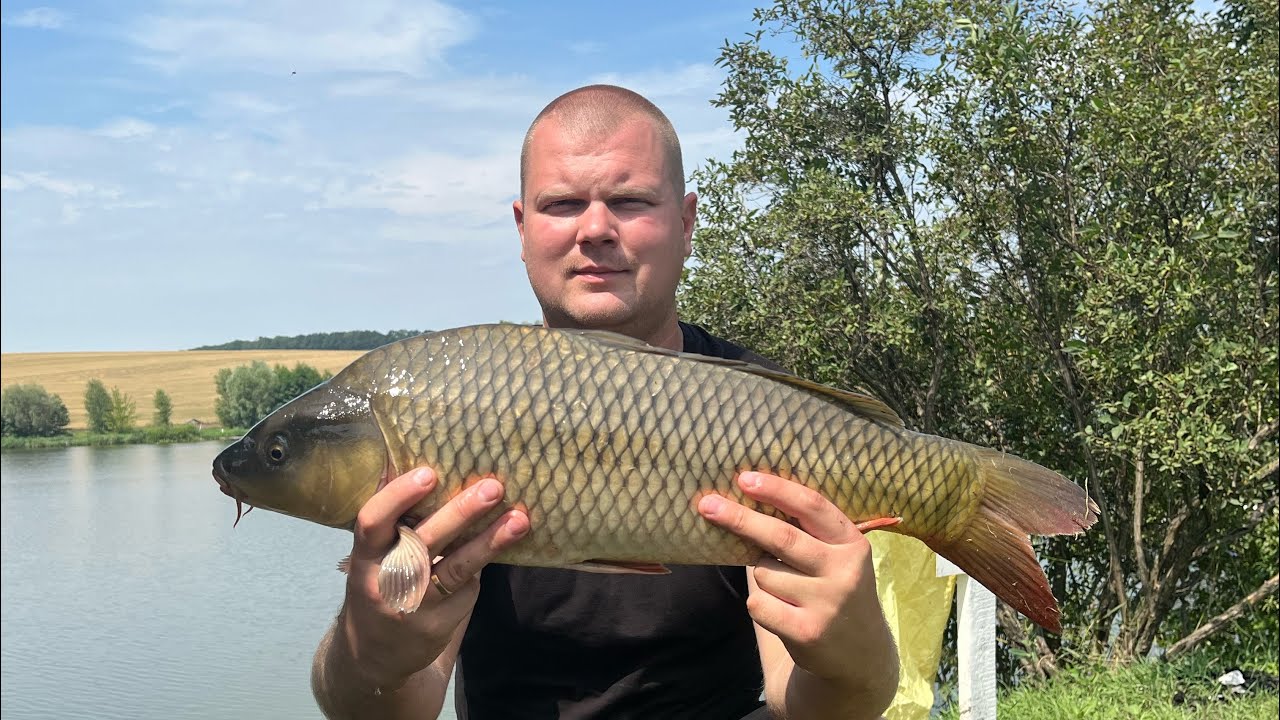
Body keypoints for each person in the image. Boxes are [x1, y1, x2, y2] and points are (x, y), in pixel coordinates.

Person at [310, 84, 899, 719]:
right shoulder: (455, 410)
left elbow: (807, 709)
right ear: (523, 227)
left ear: (685, 222)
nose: (595, 229)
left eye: (630, 201)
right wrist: (368, 651)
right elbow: (392, 709)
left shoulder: (772, 419)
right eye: (562, 203)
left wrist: (854, 655)